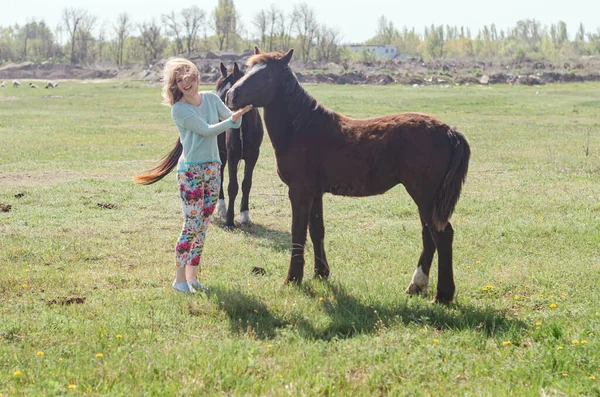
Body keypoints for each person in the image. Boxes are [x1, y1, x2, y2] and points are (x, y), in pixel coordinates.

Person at [135, 58, 252, 293]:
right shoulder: (179, 109)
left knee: (204, 224)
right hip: (190, 171)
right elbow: (207, 130)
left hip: (212, 169)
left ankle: (193, 277)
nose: (185, 83)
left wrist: (237, 117)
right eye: (179, 80)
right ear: (174, 85)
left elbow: (233, 124)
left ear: (196, 76)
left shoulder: (210, 98)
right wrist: (231, 120)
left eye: (188, 77)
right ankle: (179, 281)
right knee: (191, 224)